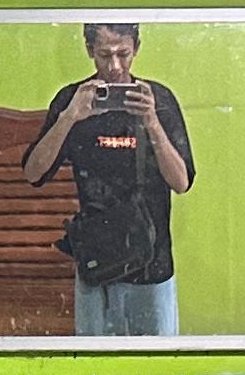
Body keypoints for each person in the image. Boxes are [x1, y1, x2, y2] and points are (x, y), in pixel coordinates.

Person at [23, 20, 195, 338]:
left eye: (123, 54)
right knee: (96, 360)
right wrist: (69, 117)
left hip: (151, 262)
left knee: (155, 363)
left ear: (136, 48)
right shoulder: (73, 99)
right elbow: (33, 174)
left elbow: (181, 182)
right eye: (104, 55)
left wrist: (152, 122)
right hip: (96, 260)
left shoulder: (158, 99)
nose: (115, 66)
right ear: (90, 50)